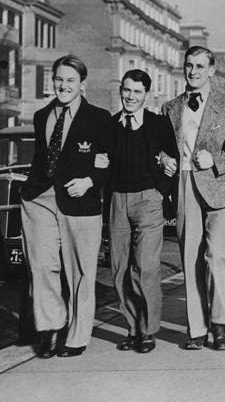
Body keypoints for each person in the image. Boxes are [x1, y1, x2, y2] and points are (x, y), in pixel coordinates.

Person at [21, 55, 113, 358]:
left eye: (70, 80)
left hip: (80, 203)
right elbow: (41, 157)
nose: (63, 85)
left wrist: (90, 180)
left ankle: (76, 334)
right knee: (42, 266)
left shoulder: (99, 118)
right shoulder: (41, 116)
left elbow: (111, 164)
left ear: (82, 84)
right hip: (40, 200)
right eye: (59, 79)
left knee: (82, 272)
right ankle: (50, 327)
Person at [161, 46, 225, 350]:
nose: (193, 71)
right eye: (189, 66)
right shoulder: (169, 108)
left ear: (211, 71)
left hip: (220, 187)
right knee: (190, 258)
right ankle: (196, 327)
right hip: (184, 186)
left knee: (218, 257)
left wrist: (218, 160)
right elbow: (163, 146)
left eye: (200, 66)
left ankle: (220, 324)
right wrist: (162, 158)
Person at [96, 69, 178, 353]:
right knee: (120, 268)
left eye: (137, 92)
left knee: (145, 267)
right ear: (121, 90)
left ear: (146, 95)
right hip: (117, 200)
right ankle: (132, 328)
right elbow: (103, 161)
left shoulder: (158, 124)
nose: (130, 96)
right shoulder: (110, 124)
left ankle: (148, 330)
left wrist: (161, 190)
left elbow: (173, 159)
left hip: (148, 200)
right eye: (127, 90)